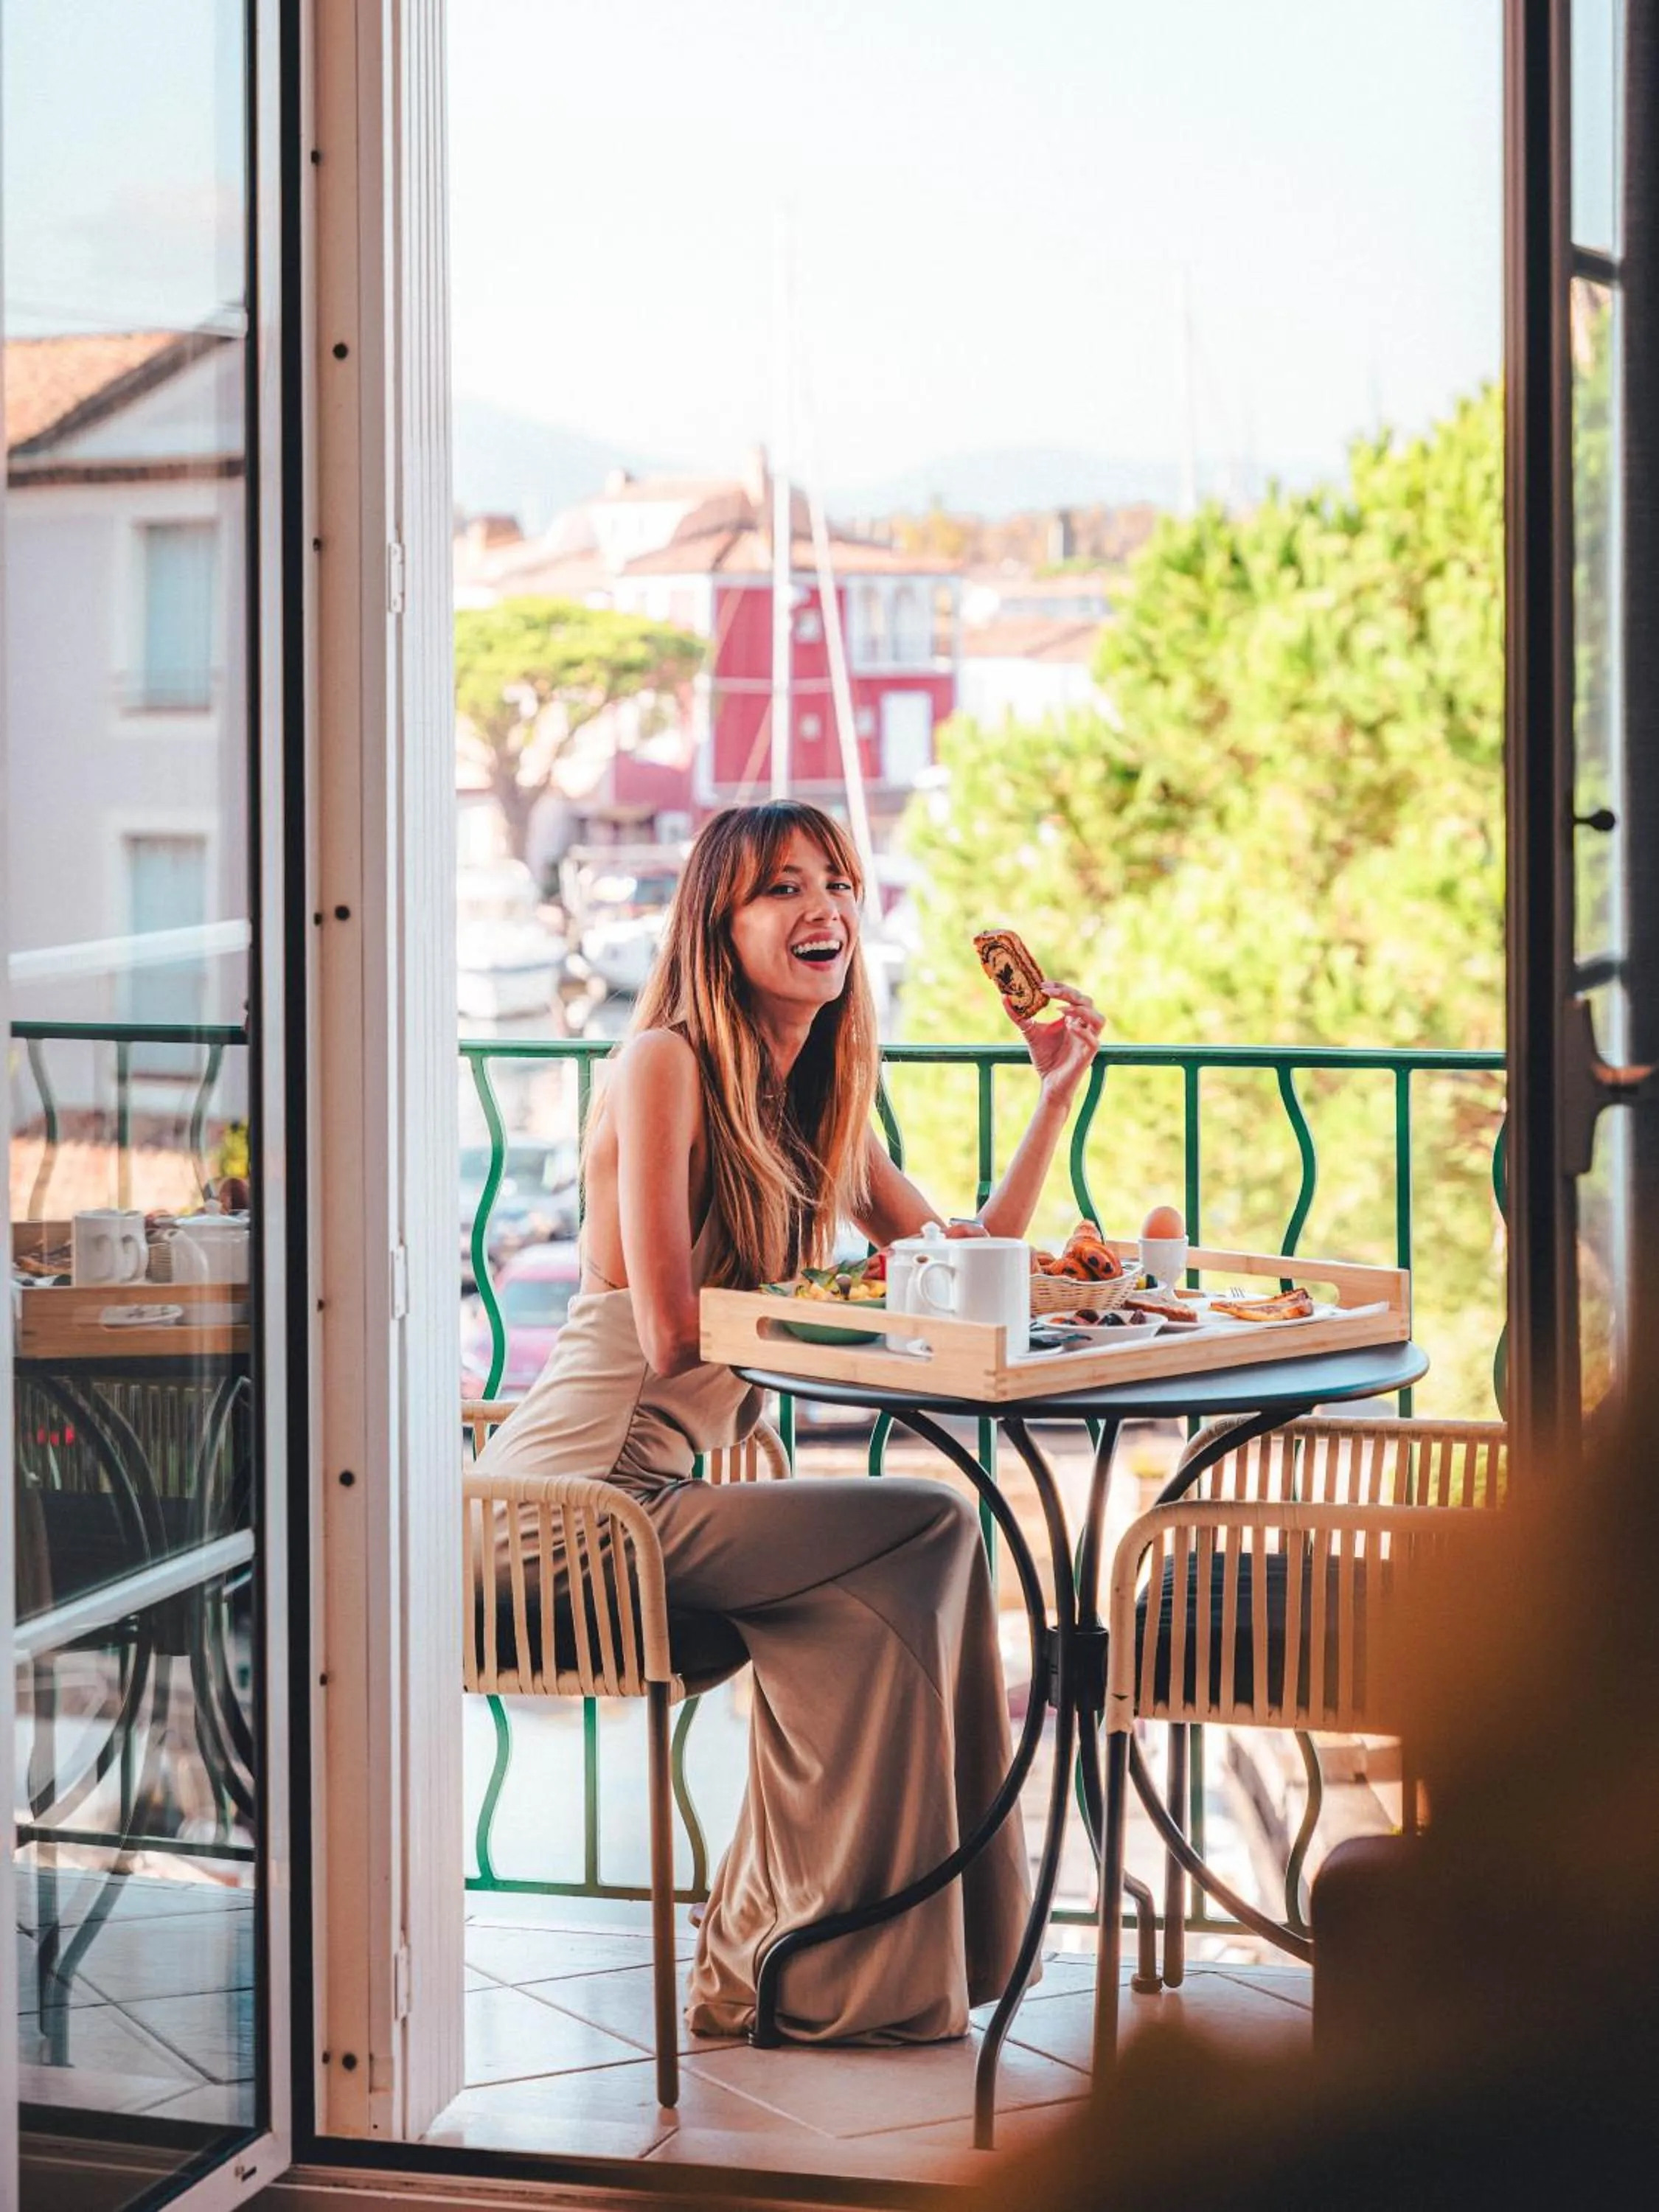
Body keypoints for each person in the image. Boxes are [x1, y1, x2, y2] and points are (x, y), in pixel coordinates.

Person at [477, 799, 1103, 2045]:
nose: (823, 908)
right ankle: (805, 1965)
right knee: (927, 1525)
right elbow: (671, 1334)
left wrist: (1052, 1097)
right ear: (719, 925)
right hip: (563, 1515)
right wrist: (849, 1305)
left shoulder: (814, 1101)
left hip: (657, 1507)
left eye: (836, 882)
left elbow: (959, 1263)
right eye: (781, 887)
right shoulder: (663, 1062)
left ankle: (854, 1967)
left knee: (908, 1567)